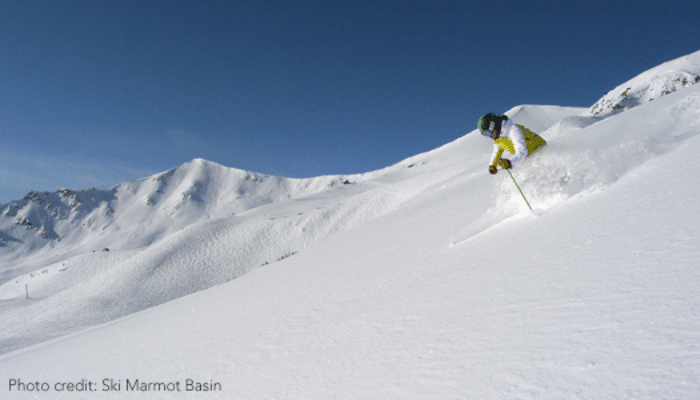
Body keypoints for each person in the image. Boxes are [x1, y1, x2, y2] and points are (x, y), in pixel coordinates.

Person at [477, 113, 547, 175]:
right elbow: (496, 153)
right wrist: (492, 166)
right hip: (528, 158)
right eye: (485, 135)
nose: (489, 136)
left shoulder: (513, 130)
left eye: (488, 132)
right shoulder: (498, 140)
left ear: (493, 124)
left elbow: (522, 150)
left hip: (542, 153)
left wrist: (510, 163)